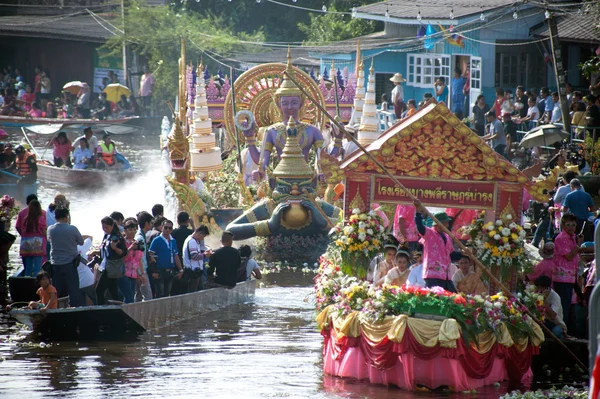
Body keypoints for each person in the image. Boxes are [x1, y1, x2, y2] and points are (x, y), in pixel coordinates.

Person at [414, 201, 461, 292]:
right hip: (433, 275)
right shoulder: (429, 234)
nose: (448, 225)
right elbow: (420, 226)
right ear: (439, 224)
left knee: (453, 297)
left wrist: (463, 254)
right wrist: (418, 211)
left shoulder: (447, 237)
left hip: (445, 275)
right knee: (433, 299)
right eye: (446, 223)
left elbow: (451, 255)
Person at [47, 207, 83, 307]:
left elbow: (49, 241)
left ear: (55, 217)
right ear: (67, 216)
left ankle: (54, 308)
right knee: (73, 290)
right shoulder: (72, 228)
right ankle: (74, 309)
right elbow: (81, 241)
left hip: (55, 264)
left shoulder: (50, 229)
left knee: (55, 290)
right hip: (70, 264)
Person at [553, 213, 583, 326]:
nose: (571, 227)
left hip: (571, 277)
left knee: (570, 306)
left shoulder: (573, 237)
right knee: (563, 307)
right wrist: (578, 245)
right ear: (563, 225)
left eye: (573, 225)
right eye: (568, 225)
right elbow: (569, 256)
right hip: (562, 278)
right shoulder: (561, 238)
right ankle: (561, 331)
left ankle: (566, 330)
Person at [94, 216, 127, 304]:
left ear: (112, 226)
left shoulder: (117, 237)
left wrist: (114, 248)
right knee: (113, 291)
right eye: (103, 227)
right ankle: (120, 307)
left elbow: (124, 252)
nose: (105, 229)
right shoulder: (106, 236)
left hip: (111, 267)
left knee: (99, 290)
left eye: (107, 227)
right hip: (104, 266)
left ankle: (100, 310)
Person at [149, 219, 183, 298]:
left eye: (170, 228)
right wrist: (153, 271)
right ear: (161, 227)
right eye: (165, 227)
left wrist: (180, 269)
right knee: (159, 294)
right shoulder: (156, 240)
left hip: (170, 271)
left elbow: (176, 256)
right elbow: (151, 255)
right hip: (159, 271)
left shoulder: (173, 241)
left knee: (167, 294)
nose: (167, 230)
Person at [17, 199, 47, 277]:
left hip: (27, 246)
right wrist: (48, 238)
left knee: (28, 267)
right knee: (37, 267)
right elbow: (43, 231)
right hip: (38, 245)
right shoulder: (40, 218)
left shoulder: (26, 219)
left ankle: (26, 281)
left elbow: (20, 229)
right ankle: (35, 283)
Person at [122, 219, 144, 304]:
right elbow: (122, 258)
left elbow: (139, 260)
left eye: (134, 229)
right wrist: (130, 248)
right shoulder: (122, 242)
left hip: (134, 274)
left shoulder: (137, 243)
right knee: (128, 297)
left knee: (132, 295)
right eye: (130, 229)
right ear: (125, 230)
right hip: (124, 273)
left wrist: (142, 274)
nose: (132, 232)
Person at [182, 225, 209, 292]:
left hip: (196, 272)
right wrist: (205, 255)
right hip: (192, 272)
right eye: (203, 236)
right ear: (200, 233)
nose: (202, 238)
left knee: (200, 290)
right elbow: (194, 256)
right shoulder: (192, 242)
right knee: (192, 292)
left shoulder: (193, 240)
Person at [135, 211, 154, 301]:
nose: (151, 225)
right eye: (151, 223)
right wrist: (141, 273)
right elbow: (138, 257)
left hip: (139, 271)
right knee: (148, 297)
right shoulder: (140, 238)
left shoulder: (141, 236)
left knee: (138, 296)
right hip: (141, 271)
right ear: (146, 223)